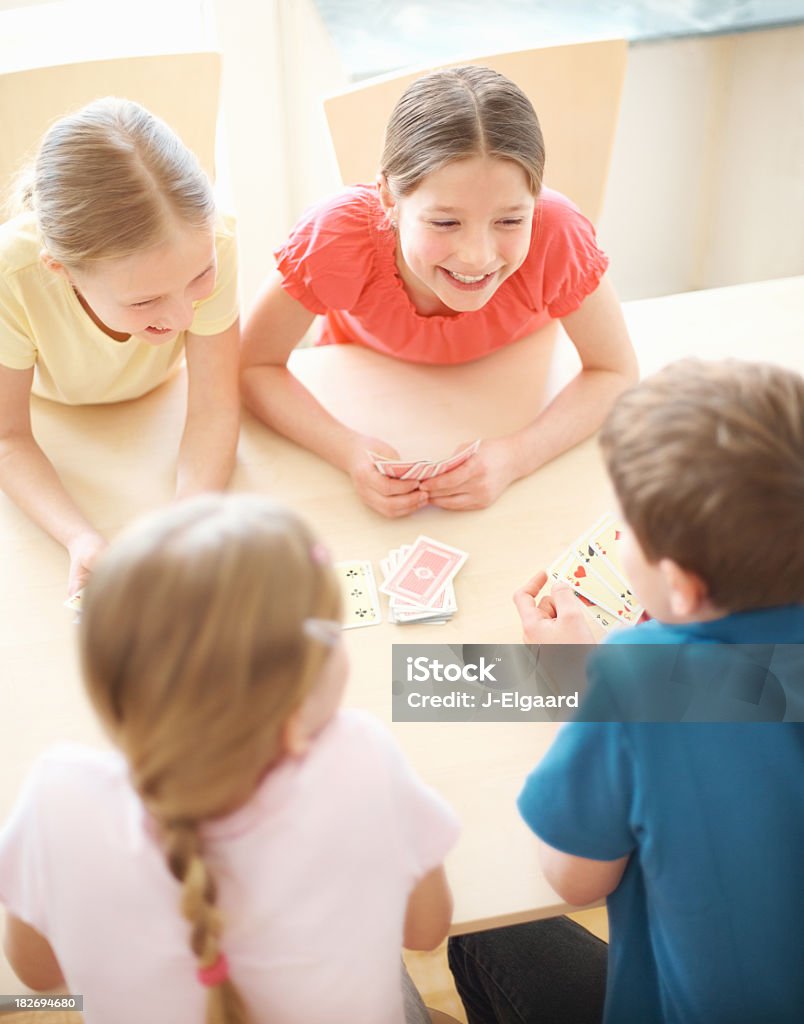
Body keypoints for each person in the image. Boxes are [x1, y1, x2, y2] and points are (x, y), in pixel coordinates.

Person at [0, 494, 458, 1023]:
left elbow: (38, 977)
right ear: (294, 706)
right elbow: (425, 932)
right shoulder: (362, 759)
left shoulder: (57, 801)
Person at [448, 358, 804, 1023]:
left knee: (478, 920)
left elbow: (573, 878)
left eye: (627, 527)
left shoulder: (637, 679)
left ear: (682, 585)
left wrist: (575, 688)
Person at [241, 65, 637, 518]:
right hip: (365, 387)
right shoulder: (336, 235)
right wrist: (347, 451)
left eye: (510, 221)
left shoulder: (558, 233)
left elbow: (615, 372)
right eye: (445, 223)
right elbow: (255, 366)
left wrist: (517, 456)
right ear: (389, 198)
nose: (477, 256)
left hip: (516, 384)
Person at [0, 98, 241, 595]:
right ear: (60, 270)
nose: (181, 318)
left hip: (159, 407)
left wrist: (188, 522)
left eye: (200, 278)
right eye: (145, 300)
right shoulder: (11, 277)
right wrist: (79, 539)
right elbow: (8, 437)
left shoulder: (211, 239)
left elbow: (215, 406)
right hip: (57, 422)